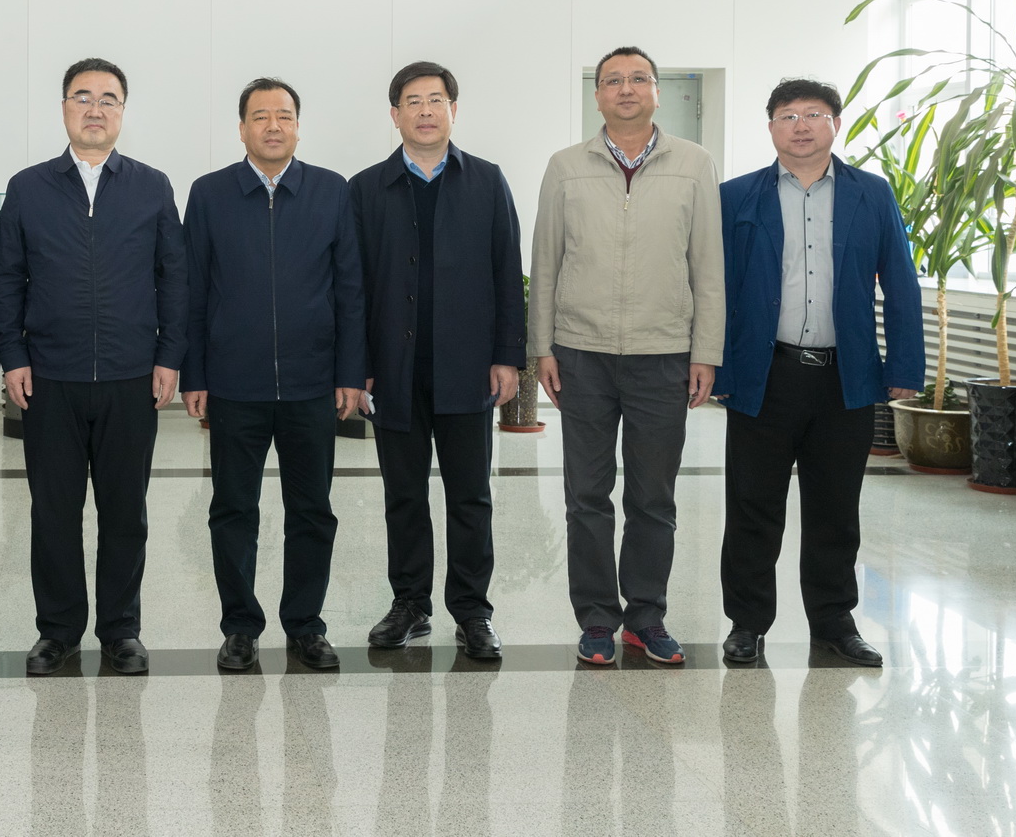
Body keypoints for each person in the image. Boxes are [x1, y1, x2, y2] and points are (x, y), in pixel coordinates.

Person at [716, 79, 923, 667]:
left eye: (814, 114)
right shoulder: (736, 196)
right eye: (787, 115)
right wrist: (717, 367)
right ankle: (747, 623)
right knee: (752, 506)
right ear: (771, 128)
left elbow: (901, 282)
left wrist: (904, 365)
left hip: (844, 377)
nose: (801, 125)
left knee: (836, 508)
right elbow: (714, 288)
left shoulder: (871, 194)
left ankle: (834, 622)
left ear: (835, 123)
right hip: (765, 374)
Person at [529, 46, 724, 666]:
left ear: (657, 92)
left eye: (639, 78)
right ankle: (595, 617)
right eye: (613, 80)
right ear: (598, 96)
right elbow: (545, 262)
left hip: (662, 354)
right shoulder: (565, 167)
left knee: (653, 499)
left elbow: (708, 266)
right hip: (581, 354)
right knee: (587, 496)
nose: (626, 89)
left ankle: (646, 616)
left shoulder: (694, 164)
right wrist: (541, 348)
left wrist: (705, 351)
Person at [0, 57, 186, 676]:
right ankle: (58, 631)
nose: (95, 109)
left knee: (126, 512)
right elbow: (6, 279)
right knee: (53, 512)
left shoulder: (152, 186)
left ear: (122, 111)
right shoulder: (28, 187)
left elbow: (173, 278)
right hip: (50, 377)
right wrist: (12, 356)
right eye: (83, 97)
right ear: (64, 108)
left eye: (108, 99)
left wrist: (170, 356)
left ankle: (121, 629)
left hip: (132, 377)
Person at [182, 78, 367, 672]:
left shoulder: (330, 191)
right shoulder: (209, 194)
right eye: (260, 116)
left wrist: (350, 372)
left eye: (283, 115)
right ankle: (239, 626)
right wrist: (194, 375)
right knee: (233, 510)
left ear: (297, 127)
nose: (272, 125)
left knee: (312, 510)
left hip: (312, 384)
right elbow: (192, 290)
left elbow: (350, 289)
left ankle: (306, 625)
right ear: (241, 128)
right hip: (234, 384)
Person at [349, 62, 525, 661]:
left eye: (436, 99)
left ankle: (473, 611)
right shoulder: (366, 189)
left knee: (470, 495)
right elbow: (353, 286)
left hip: (467, 367)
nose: (425, 111)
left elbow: (507, 272)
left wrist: (507, 357)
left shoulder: (487, 181)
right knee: (403, 495)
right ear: (394, 114)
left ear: (454, 110)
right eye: (412, 101)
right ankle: (410, 604)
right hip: (392, 369)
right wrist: (357, 365)